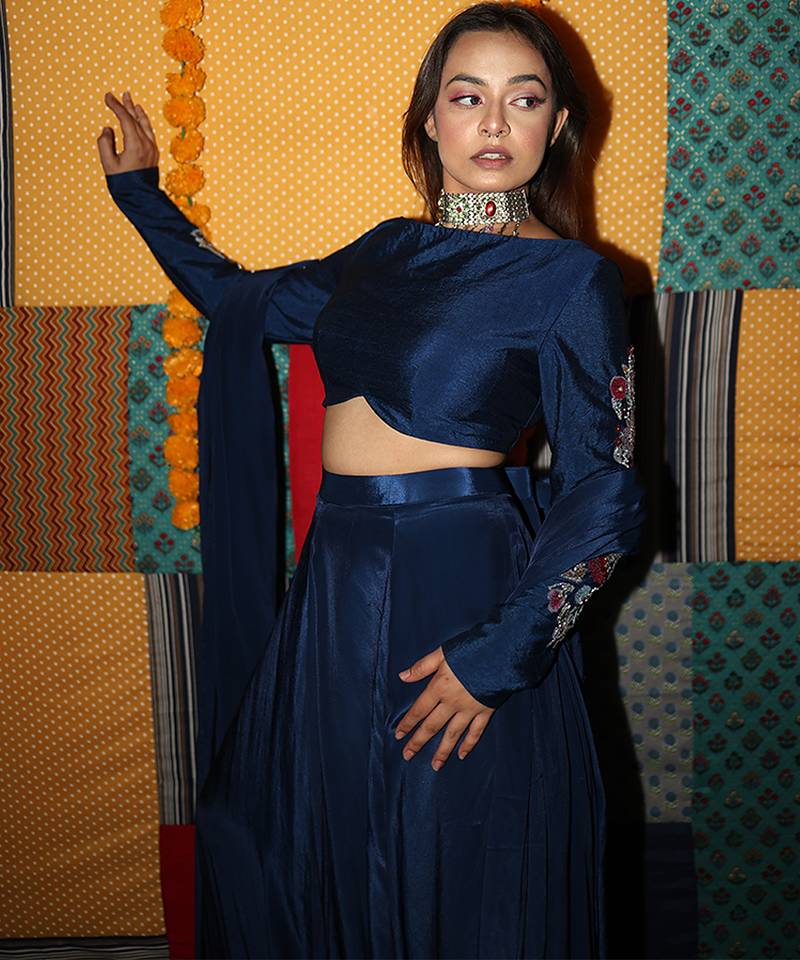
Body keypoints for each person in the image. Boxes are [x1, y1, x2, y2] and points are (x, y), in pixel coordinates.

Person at [97, 3, 646, 956]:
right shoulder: (385, 251)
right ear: (430, 118)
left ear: (557, 125)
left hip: (462, 587)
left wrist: (501, 655)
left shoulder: (574, 281)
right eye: (466, 97)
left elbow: (608, 488)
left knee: (447, 856)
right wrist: (141, 194)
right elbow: (240, 301)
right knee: (303, 839)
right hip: (336, 584)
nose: (493, 123)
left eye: (524, 100)